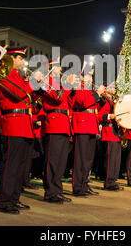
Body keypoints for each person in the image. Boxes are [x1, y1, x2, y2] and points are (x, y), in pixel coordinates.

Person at [0, 46, 44, 213]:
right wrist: (33, 82)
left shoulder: (19, 76)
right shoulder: (4, 74)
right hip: (13, 123)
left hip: (24, 124)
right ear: (11, 58)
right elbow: (18, 93)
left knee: (20, 166)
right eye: (20, 58)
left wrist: (39, 87)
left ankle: (14, 198)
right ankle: (5, 201)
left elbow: (30, 98)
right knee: (11, 166)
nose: (23, 61)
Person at [41, 60, 74, 203]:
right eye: (57, 67)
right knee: (52, 161)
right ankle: (50, 192)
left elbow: (70, 103)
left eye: (60, 67)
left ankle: (57, 190)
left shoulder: (60, 84)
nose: (60, 69)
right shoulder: (45, 82)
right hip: (54, 123)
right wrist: (68, 85)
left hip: (64, 124)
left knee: (61, 162)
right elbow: (57, 98)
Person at [71, 70, 105, 196]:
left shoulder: (90, 91)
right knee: (80, 158)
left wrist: (101, 96)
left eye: (91, 76)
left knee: (88, 159)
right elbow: (83, 102)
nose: (91, 79)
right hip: (82, 125)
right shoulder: (77, 88)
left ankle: (85, 184)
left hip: (91, 125)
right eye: (88, 76)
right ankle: (78, 187)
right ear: (82, 77)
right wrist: (97, 93)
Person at [97, 85, 123, 191]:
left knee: (116, 160)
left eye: (114, 88)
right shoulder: (104, 101)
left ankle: (113, 181)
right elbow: (98, 116)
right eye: (111, 88)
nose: (114, 90)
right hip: (109, 132)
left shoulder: (113, 103)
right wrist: (109, 116)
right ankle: (108, 182)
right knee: (110, 160)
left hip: (116, 133)